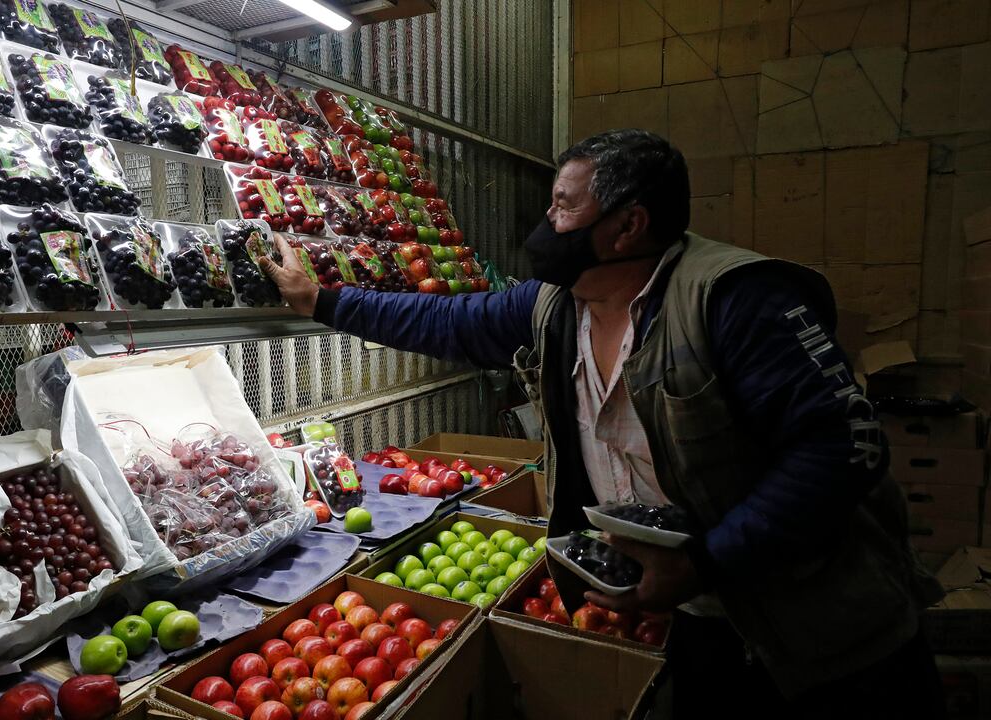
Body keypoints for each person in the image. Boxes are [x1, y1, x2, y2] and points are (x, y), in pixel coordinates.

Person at [260, 129, 946, 718]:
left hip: (821, 626)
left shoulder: (735, 301)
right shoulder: (558, 303)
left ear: (627, 225)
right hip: (699, 620)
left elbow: (843, 448)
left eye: (563, 205)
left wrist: (708, 559)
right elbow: (450, 321)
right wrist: (322, 300)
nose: (546, 221)